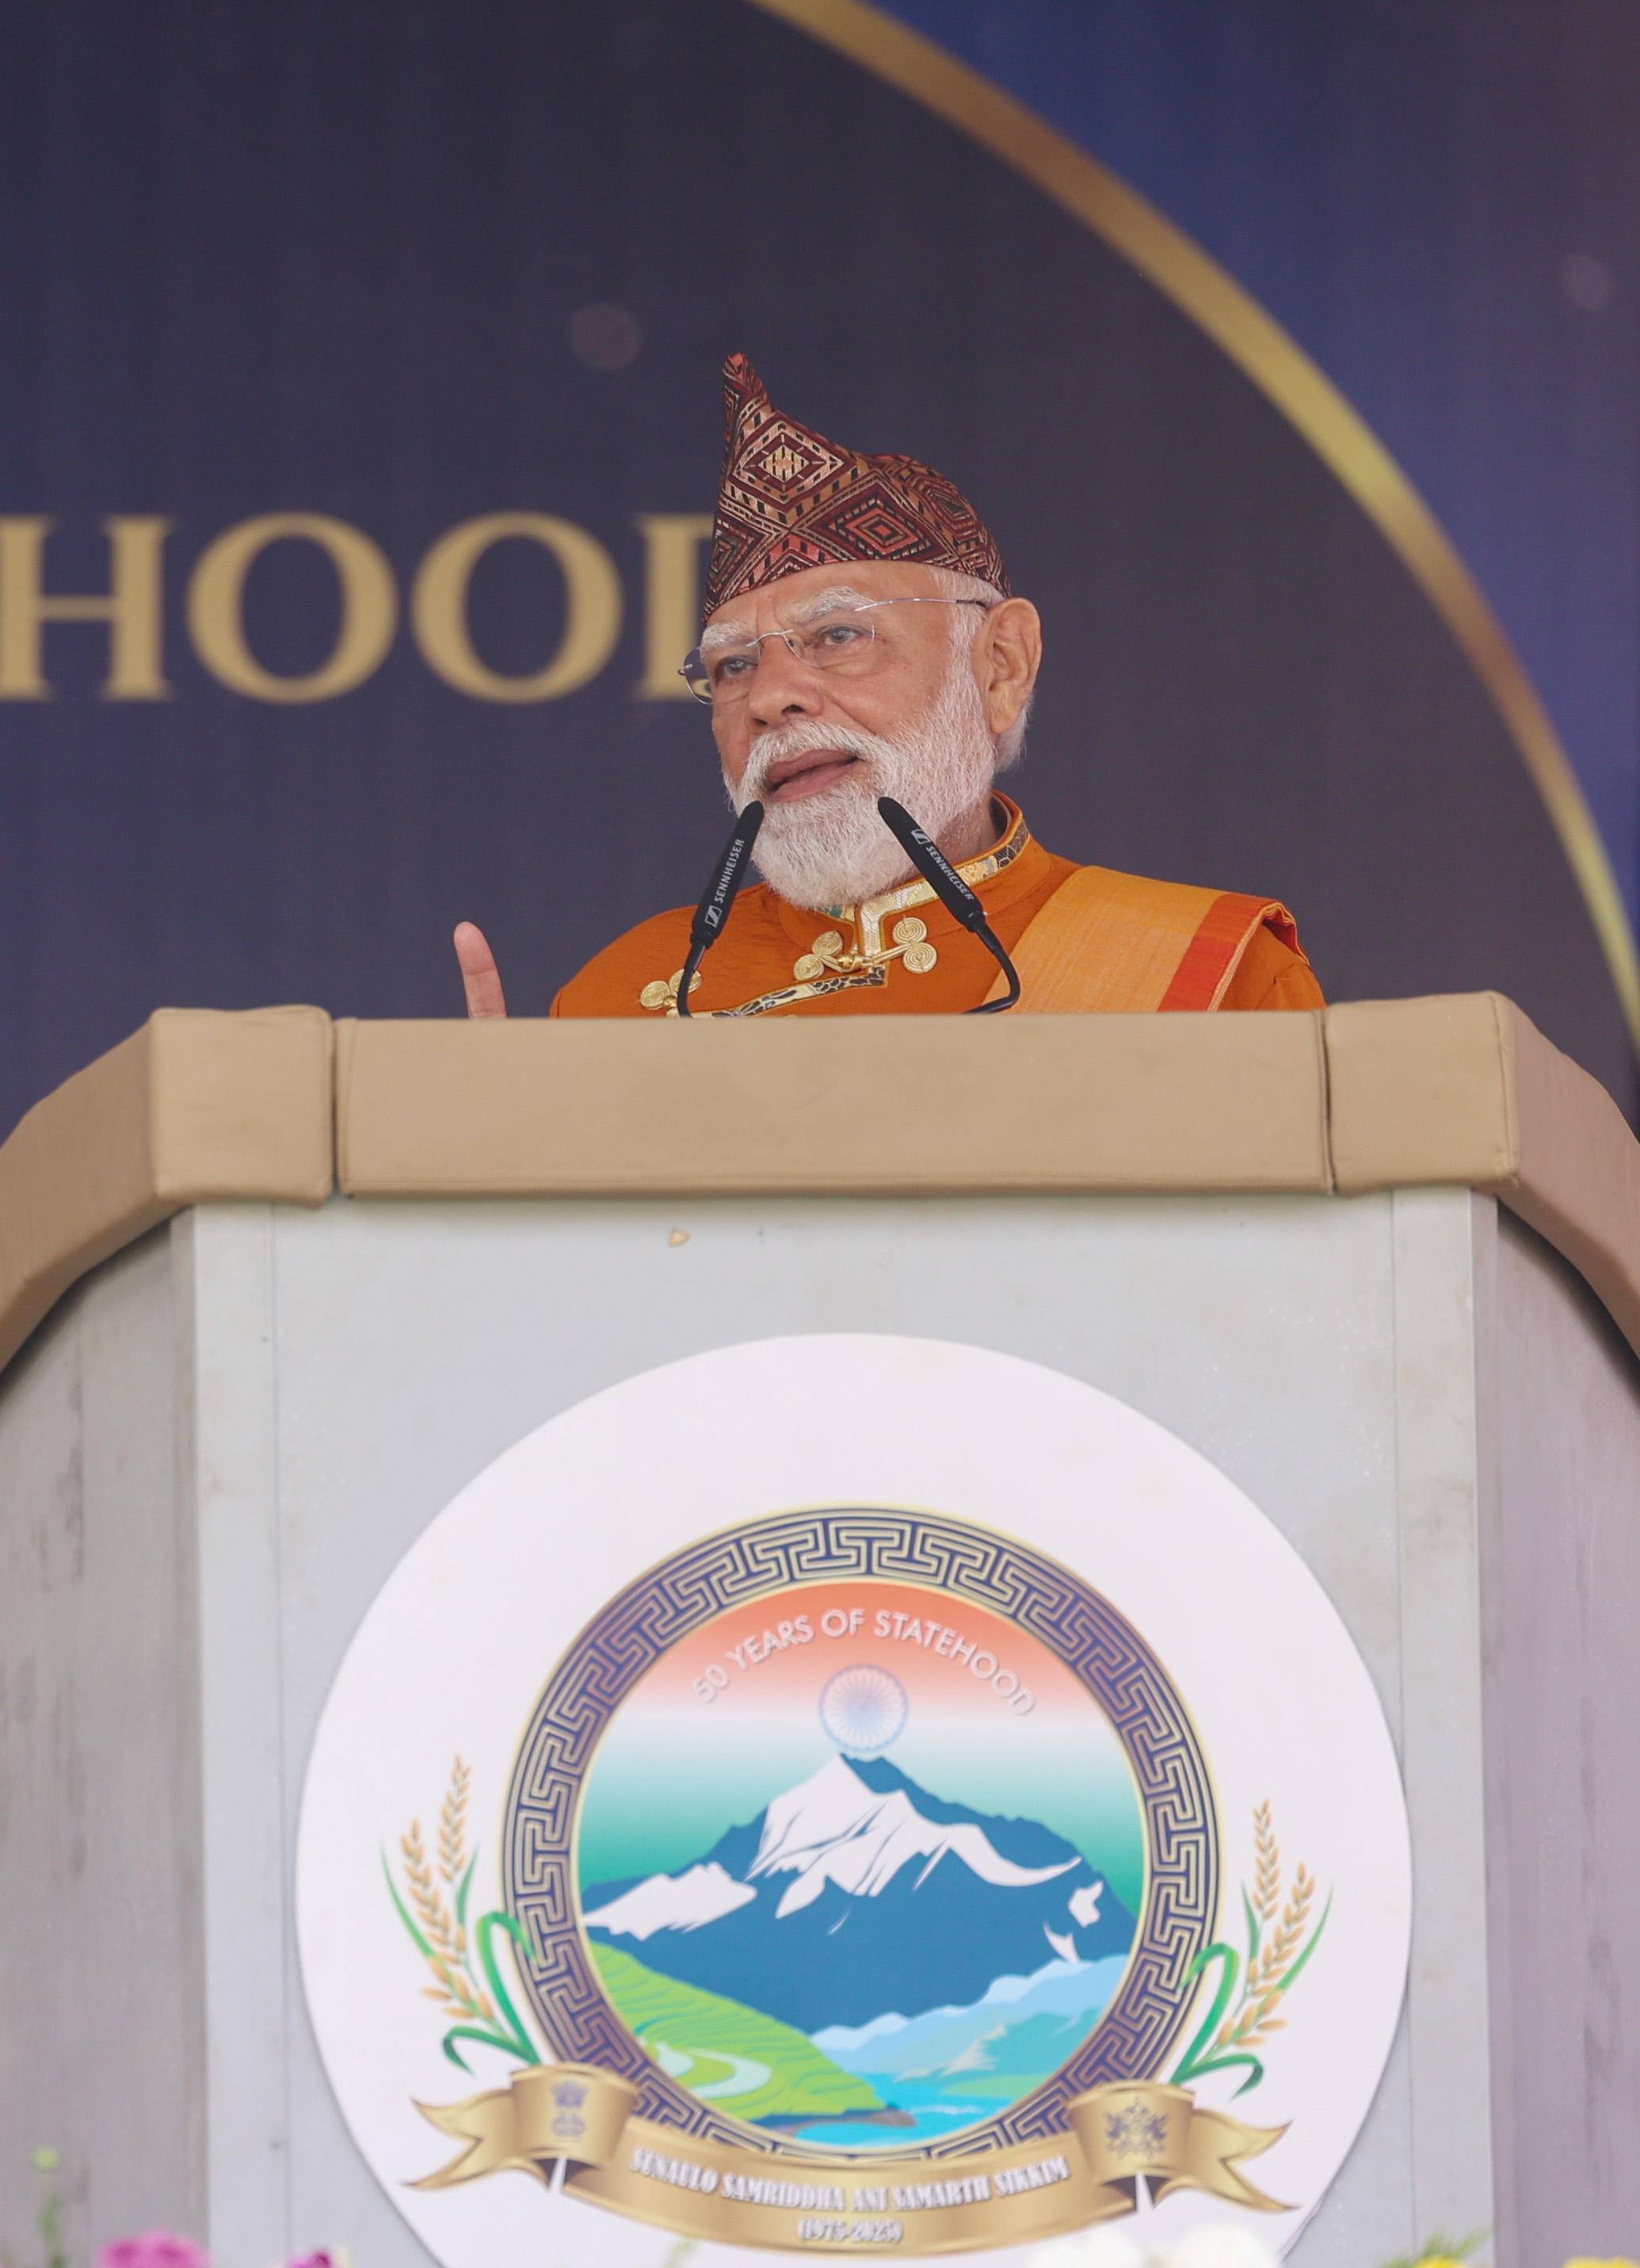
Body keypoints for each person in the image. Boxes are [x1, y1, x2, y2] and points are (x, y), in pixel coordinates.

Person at [454, 355, 1322, 1021]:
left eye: (837, 637)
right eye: (731, 666)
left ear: (1001, 665)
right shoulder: (624, 998)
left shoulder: (1209, 977)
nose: (770, 698)